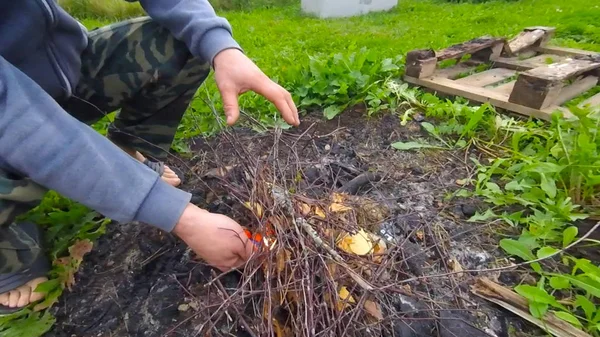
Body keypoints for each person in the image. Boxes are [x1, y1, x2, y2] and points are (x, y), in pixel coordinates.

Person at [0, 0, 299, 314]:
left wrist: (222, 48)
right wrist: (184, 218)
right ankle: (9, 258)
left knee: (181, 41)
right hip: (8, 120)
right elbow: (20, 124)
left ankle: (128, 148)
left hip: (61, 74)